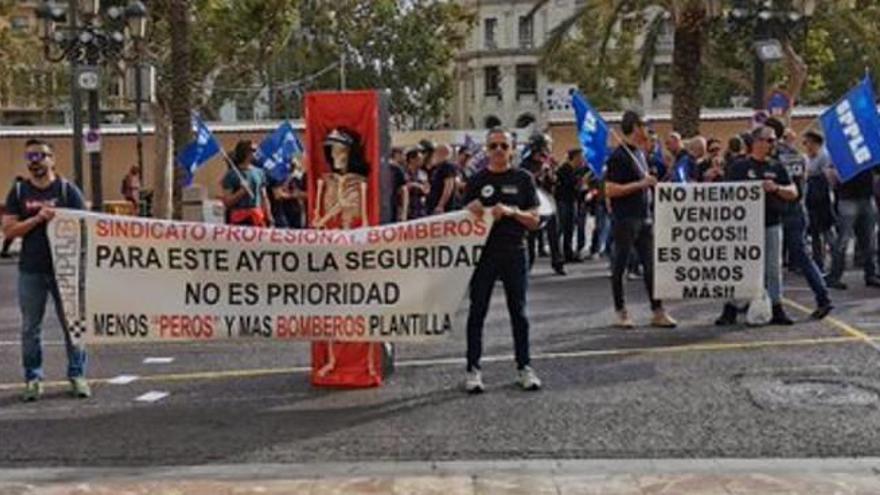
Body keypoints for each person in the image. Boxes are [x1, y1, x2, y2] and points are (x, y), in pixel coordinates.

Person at [1, 139, 90, 401]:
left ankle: (77, 375)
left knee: (73, 325)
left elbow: (85, 225)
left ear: (52, 159)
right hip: (31, 269)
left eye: (40, 155)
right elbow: (9, 230)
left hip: (66, 270)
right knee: (30, 327)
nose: (35, 161)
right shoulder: (18, 192)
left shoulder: (67, 190)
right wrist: (37, 219)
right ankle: (33, 378)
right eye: (30, 157)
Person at [463, 127, 542, 394]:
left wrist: (511, 211)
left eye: (503, 146)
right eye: (493, 146)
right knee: (477, 312)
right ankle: (473, 369)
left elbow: (535, 221)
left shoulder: (523, 179)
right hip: (483, 255)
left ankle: (524, 367)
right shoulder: (475, 180)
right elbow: (457, 219)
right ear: (486, 150)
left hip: (514, 251)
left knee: (518, 312)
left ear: (512, 150)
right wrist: (467, 210)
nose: (498, 151)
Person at [717, 126, 798, 325]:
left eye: (774, 141)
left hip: (771, 222)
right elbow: (725, 194)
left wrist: (776, 188)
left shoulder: (777, 166)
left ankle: (777, 306)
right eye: (769, 140)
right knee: (739, 266)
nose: (773, 144)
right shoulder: (739, 166)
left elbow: (793, 191)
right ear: (757, 142)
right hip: (743, 226)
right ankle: (731, 308)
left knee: (773, 267)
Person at [605, 111, 677, 329]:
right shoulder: (619, 157)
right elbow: (609, 189)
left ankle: (657, 310)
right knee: (621, 266)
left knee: (651, 267)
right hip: (625, 218)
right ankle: (621, 311)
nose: (647, 130)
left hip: (644, 216)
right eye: (644, 126)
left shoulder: (640, 153)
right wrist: (641, 185)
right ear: (635, 127)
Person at [766, 119, 832, 319]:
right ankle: (823, 297)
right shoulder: (797, 156)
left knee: (770, 259)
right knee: (803, 257)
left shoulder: (774, 157)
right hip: (798, 210)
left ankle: (766, 301)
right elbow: (804, 179)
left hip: (780, 211)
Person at [221, 140, 274, 227]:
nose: (256, 152)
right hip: (239, 220)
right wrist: (241, 192)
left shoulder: (260, 172)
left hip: (257, 218)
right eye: (253, 150)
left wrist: (269, 216)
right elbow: (227, 202)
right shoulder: (231, 175)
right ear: (246, 153)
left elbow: (264, 197)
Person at [803, 131, 835, 272]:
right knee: (815, 234)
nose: (806, 146)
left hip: (823, 200)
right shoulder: (808, 158)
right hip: (811, 200)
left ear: (816, 143)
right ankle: (818, 263)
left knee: (827, 232)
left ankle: (836, 261)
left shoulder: (823, 157)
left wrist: (810, 174)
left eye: (808, 142)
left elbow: (827, 176)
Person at [556, 149, 583, 263]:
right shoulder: (565, 169)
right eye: (580, 157)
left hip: (572, 201)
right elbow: (568, 184)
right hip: (565, 201)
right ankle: (558, 253)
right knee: (563, 227)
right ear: (575, 157)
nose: (582, 160)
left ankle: (568, 252)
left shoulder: (576, 170)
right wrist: (579, 182)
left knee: (570, 229)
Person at [425, 144, 458, 214]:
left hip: (443, 208)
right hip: (432, 204)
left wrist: (441, 205)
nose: (434, 155)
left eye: (435, 152)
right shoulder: (436, 168)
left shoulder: (447, 166)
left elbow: (448, 186)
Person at [1, 175, 24, 258]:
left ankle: (4, 250)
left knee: (12, 235)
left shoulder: (18, 191)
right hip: (17, 216)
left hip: (19, 216)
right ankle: (4, 251)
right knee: (11, 235)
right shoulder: (17, 192)